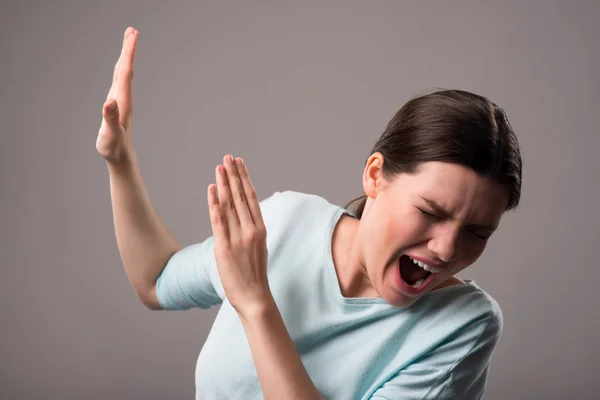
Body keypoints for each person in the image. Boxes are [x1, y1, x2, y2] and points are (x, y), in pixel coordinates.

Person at [97, 28, 522, 400]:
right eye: (430, 211)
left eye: (477, 232)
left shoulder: (463, 326)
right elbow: (156, 282)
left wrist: (256, 303)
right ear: (375, 176)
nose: (447, 248)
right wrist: (120, 161)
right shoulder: (285, 223)